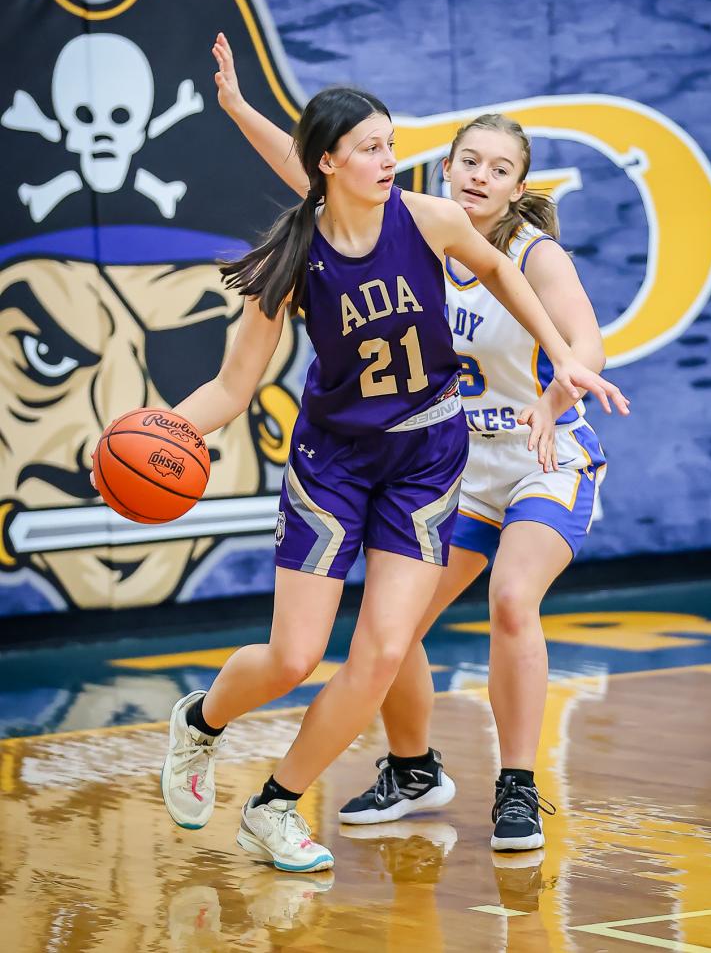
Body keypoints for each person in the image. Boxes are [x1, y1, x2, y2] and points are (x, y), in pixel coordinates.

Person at [137, 66, 627, 876]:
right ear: (329, 162)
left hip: (428, 461)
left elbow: (503, 270)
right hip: (334, 463)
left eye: (392, 144)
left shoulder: (430, 219)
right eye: (371, 148)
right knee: (294, 658)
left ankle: (275, 806)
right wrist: (151, 433)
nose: (390, 158)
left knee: (383, 651)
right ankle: (202, 721)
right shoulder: (294, 257)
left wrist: (564, 363)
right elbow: (230, 388)